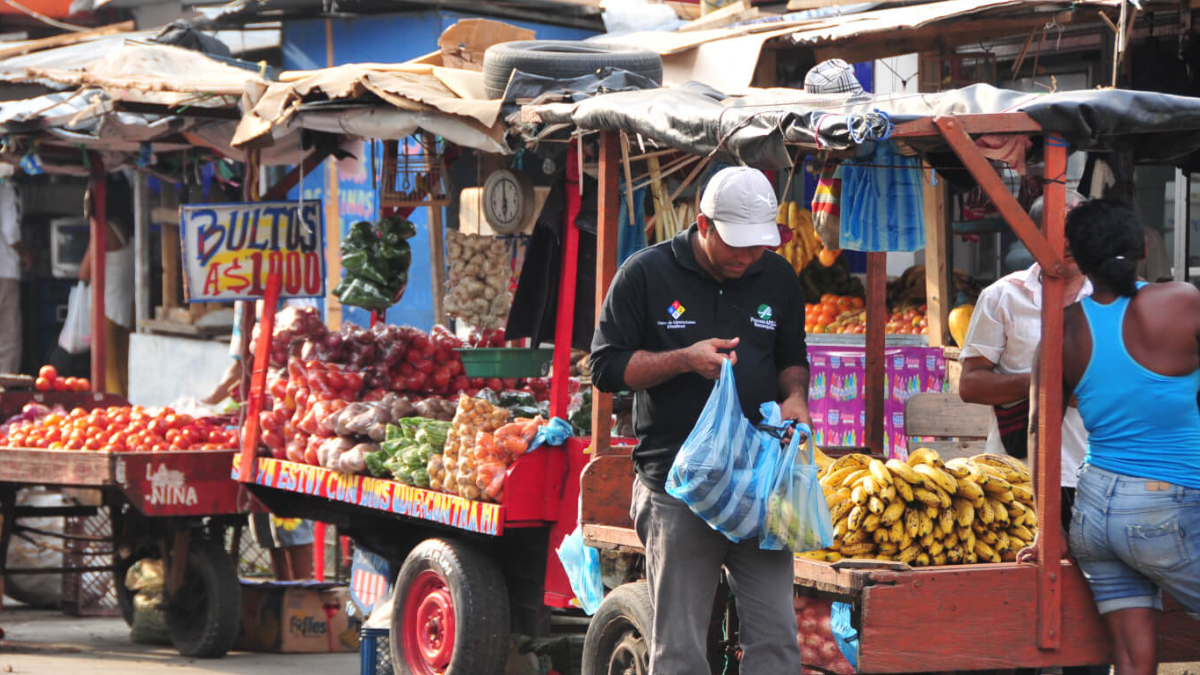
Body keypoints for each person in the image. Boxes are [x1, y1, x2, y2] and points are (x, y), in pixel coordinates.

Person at [591, 166, 811, 675]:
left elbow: (790, 355)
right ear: (704, 224)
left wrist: (795, 397)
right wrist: (683, 360)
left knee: (777, 640)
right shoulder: (645, 274)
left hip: (759, 486)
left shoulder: (777, 276)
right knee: (681, 649)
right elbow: (605, 368)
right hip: (677, 490)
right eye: (737, 246)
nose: (748, 258)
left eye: (758, 247)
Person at [1020, 199, 1200, 675]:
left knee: (1132, 659)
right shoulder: (1184, 302)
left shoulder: (1063, 329)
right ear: (1144, 248)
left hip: (1094, 514)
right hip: (1166, 508)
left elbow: (1038, 429)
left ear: (1078, 259)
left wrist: (1048, 530)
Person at [78, 173, 135, 395]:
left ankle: (114, 411)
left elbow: (84, 272)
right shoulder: (127, 227)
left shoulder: (103, 229)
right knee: (123, 367)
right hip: (127, 306)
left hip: (107, 308)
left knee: (108, 370)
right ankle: (128, 409)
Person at [0, 180, 30, 374]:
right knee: (7, 336)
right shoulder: (6, 188)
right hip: (4, 271)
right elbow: (11, 232)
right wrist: (25, 254)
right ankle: (5, 384)